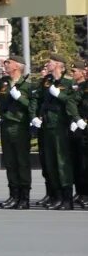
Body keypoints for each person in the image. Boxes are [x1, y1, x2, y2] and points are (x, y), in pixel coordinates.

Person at [29, 53, 79, 210]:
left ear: (58, 64)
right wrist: (35, 117)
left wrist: (60, 95)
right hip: (47, 126)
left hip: (61, 127)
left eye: (50, 62)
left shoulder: (69, 82)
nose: (48, 64)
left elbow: (73, 101)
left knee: (62, 163)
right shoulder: (47, 81)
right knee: (50, 163)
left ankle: (67, 199)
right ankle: (56, 197)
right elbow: (36, 98)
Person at [0, 55, 33, 209]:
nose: (5, 64)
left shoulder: (27, 85)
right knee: (10, 162)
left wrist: (20, 98)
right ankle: (13, 196)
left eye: (8, 62)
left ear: (17, 66)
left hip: (20, 127)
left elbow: (33, 107)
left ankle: (24, 198)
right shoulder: (3, 83)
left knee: (22, 163)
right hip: (6, 126)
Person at [71, 61, 88, 208]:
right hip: (83, 128)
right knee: (81, 163)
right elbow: (72, 102)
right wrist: (76, 119)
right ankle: (82, 192)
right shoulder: (83, 88)